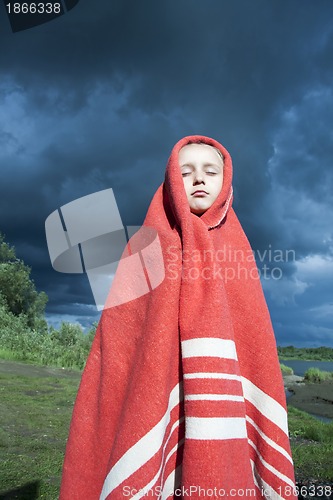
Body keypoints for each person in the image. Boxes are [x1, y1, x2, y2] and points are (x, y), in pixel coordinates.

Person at [60, 135, 297, 499]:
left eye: (210, 171)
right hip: (159, 391)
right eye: (186, 172)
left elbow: (254, 338)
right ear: (171, 180)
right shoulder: (146, 245)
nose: (199, 179)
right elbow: (123, 336)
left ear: (225, 178)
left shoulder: (239, 250)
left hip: (220, 397)